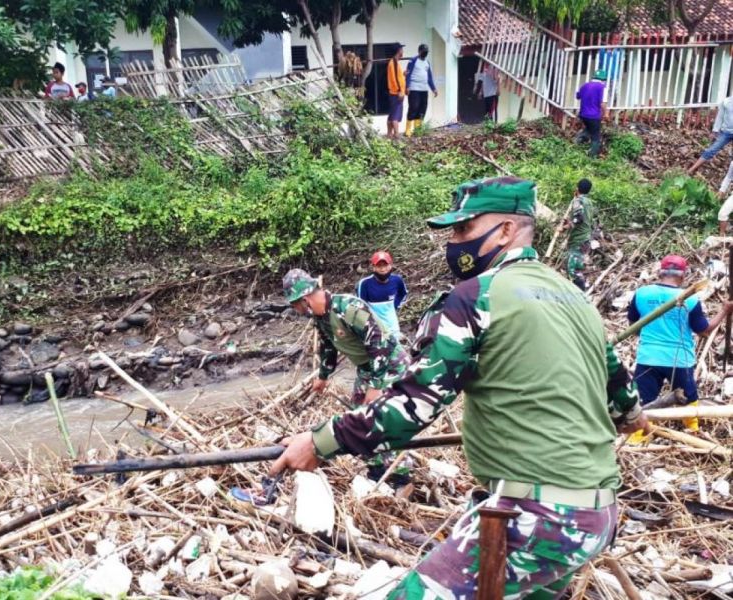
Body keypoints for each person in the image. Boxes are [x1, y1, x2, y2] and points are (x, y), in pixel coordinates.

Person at [272, 176, 646, 599]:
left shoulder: (477, 296)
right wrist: (634, 416)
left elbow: (414, 404)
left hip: (537, 514)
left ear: (505, 230)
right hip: (599, 513)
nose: (454, 242)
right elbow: (623, 397)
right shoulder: (575, 298)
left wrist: (319, 441)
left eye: (464, 229)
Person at [627, 255, 733, 434]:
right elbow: (704, 330)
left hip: (648, 356)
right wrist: (724, 310)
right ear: (683, 276)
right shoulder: (690, 299)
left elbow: (633, 325)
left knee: (643, 401)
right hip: (679, 359)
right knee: (689, 397)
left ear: (660, 273)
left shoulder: (641, 294)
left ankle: (637, 440)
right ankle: (693, 431)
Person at [282, 269, 409, 407]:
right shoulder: (320, 316)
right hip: (366, 369)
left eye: (295, 305)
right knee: (357, 414)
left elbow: (377, 339)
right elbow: (328, 346)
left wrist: (376, 385)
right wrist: (323, 376)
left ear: (305, 300)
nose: (296, 310)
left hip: (390, 364)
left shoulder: (348, 307)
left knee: (383, 413)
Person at [355, 251, 409, 338]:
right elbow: (361, 306)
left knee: (395, 344)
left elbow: (403, 294)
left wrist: (394, 306)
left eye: (385, 265)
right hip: (374, 327)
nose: (383, 269)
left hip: (392, 325)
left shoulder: (397, 280)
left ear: (390, 265)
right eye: (379, 266)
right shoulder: (365, 284)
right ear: (373, 267)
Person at [564, 178, 597, 291]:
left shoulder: (578, 201)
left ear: (577, 188)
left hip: (579, 239)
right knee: (577, 265)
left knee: (572, 269)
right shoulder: (589, 202)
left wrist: (566, 227)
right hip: (586, 238)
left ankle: (580, 292)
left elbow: (579, 219)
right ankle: (579, 290)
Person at [688, 94, 733, 175]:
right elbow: (720, 117)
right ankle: (691, 170)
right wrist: (715, 131)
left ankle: (729, 177)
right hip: (726, 132)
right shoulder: (726, 102)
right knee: (711, 150)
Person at [404, 44, 438, 137]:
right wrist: (407, 86)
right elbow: (408, 74)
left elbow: (429, 77)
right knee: (413, 107)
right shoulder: (413, 60)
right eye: (424, 52)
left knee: (422, 108)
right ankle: (408, 130)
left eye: (426, 52)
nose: (425, 53)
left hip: (424, 89)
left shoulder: (427, 63)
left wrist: (433, 89)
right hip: (414, 88)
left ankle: (417, 129)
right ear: (419, 51)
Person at [575, 70, 607, 158]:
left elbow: (578, 96)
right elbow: (603, 104)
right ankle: (592, 157)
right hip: (594, 116)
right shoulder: (602, 87)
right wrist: (606, 114)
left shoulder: (585, 85)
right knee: (596, 137)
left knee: (589, 128)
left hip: (583, 115)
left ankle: (578, 141)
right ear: (603, 80)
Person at [386, 43, 406, 139]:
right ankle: (397, 134)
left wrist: (403, 74)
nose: (403, 51)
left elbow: (397, 77)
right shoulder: (393, 62)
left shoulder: (394, 62)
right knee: (395, 116)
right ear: (398, 51)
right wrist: (399, 91)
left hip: (395, 93)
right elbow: (395, 80)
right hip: (396, 93)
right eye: (401, 49)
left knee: (392, 115)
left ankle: (389, 134)